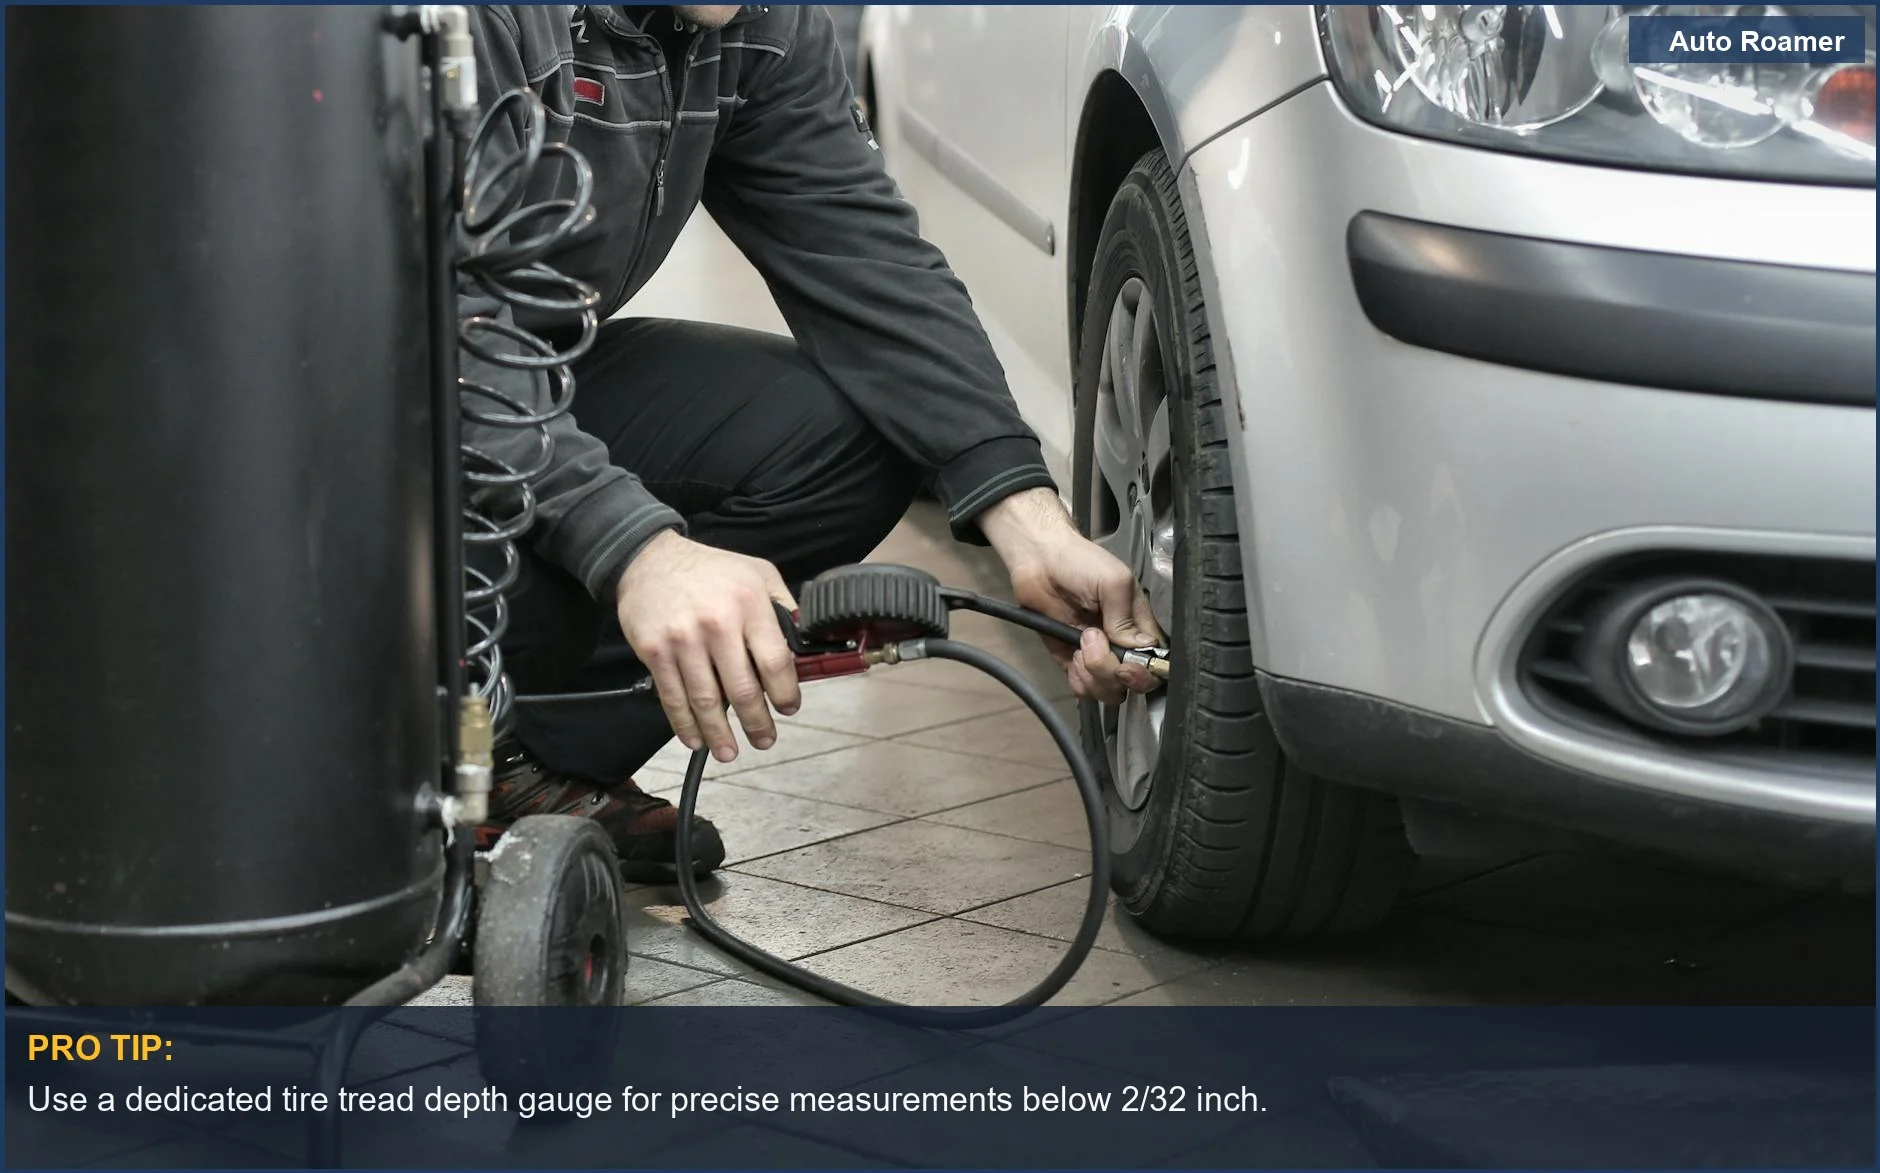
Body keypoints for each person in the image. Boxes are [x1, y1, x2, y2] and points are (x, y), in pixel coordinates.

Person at [463, 4, 1164, 882]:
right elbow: (418, 326)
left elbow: (863, 256)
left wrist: (1027, 518)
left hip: (513, 375)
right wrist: (635, 548)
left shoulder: (752, 20)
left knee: (848, 439)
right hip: (328, 418)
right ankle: (365, 720)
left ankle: (512, 755)